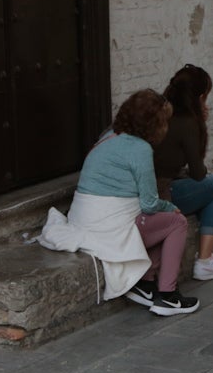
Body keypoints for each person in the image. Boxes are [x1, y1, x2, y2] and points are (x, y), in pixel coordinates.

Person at [38, 89, 200, 316]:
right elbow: (150, 204)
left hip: (83, 220)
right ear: (156, 124)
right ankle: (168, 296)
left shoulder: (108, 137)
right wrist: (171, 207)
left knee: (157, 222)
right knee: (176, 222)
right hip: (108, 229)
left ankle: (144, 284)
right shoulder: (140, 149)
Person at [154, 63, 213, 281]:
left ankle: (208, 258)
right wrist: (200, 125)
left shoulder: (159, 112)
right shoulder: (187, 122)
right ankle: (205, 261)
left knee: (208, 186)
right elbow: (198, 173)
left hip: (151, 186)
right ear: (199, 97)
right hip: (162, 192)